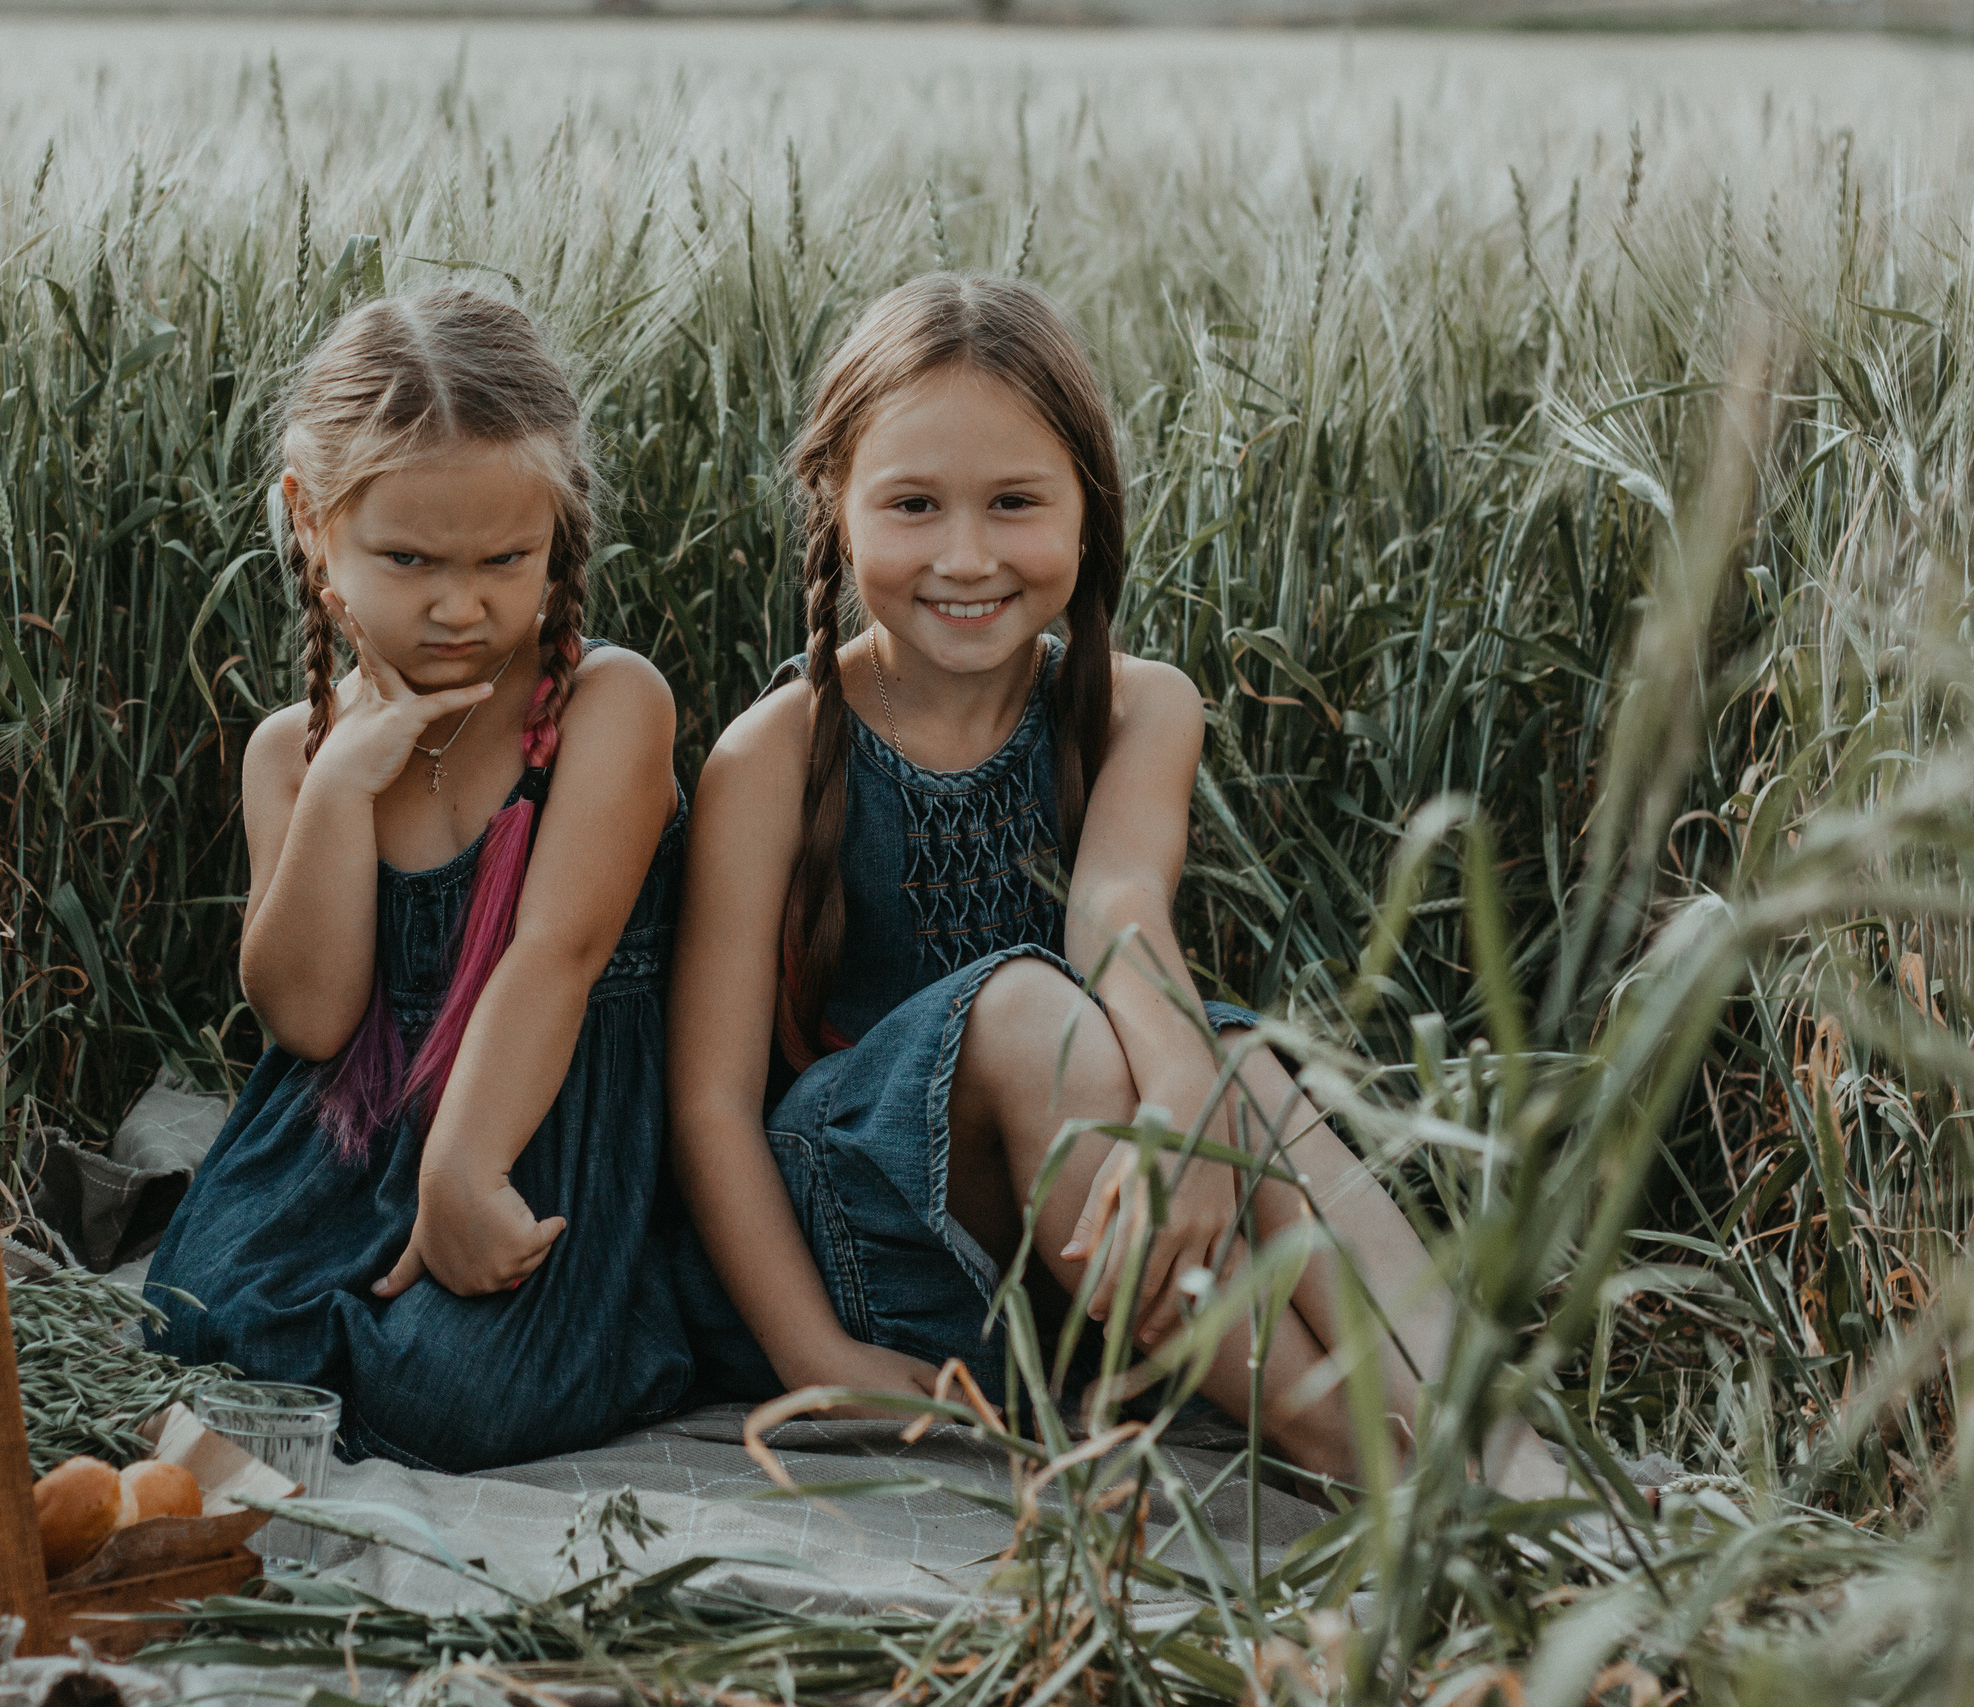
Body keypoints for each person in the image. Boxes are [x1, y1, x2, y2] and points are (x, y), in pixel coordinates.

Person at [667, 272, 1567, 1495]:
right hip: (870, 1257)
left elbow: (1115, 916)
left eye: (1015, 503)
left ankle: (1498, 1462)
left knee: (1242, 1069)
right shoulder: (772, 752)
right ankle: (1351, 1458)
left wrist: (1190, 1107)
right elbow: (712, 1107)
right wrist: (820, 1355)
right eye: (914, 504)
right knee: (1031, 1015)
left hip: (1088, 1263)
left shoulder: (1139, 707)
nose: (967, 555)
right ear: (833, 505)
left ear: (1089, 509)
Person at [145, 287, 690, 1474]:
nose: (460, 603)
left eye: (507, 558)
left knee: (459, 1398)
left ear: (562, 528)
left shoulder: (608, 706)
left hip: (532, 1118)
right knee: (190, 1323)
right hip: (340, 1138)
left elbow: (557, 952)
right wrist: (341, 788)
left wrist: (460, 1168)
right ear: (310, 524)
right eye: (409, 560)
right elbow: (310, 1016)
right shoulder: (291, 753)